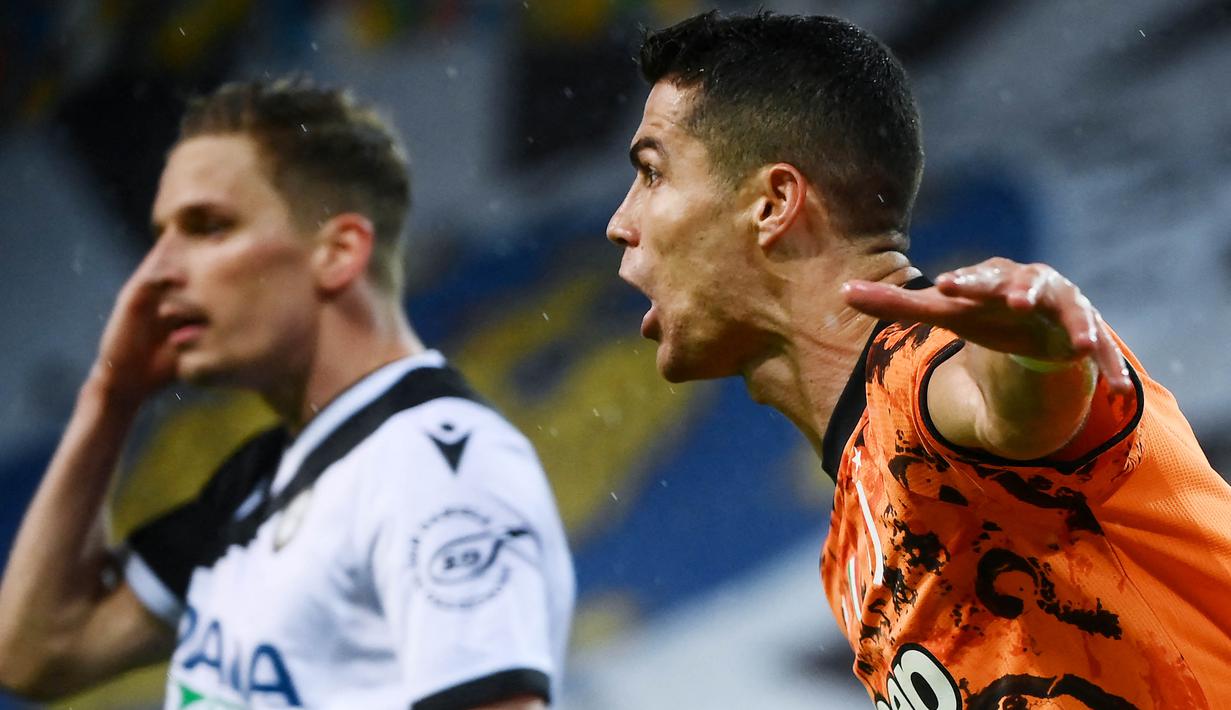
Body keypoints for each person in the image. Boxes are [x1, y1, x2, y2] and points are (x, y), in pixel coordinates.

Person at [606, 10, 1231, 708]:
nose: (619, 222)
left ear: (773, 203)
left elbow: (1010, 409)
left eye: (652, 175)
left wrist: (1035, 353)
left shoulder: (925, 378)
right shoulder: (849, 546)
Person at [0, 78, 574, 709]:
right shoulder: (255, 482)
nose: (158, 270)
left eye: (207, 226)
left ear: (338, 252)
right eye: (160, 235)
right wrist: (109, 398)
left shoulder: (435, 465)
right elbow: (38, 653)